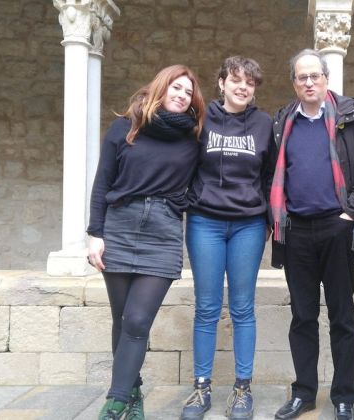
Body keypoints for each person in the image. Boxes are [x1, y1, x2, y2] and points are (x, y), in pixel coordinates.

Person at [87, 64, 205, 420]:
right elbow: (102, 182)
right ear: (161, 87)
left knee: (138, 320)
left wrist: (182, 202)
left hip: (163, 233)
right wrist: (95, 234)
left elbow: (206, 180)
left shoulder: (192, 139)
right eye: (177, 87)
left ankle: (115, 402)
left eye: (188, 92)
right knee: (122, 321)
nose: (182, 95)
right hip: (120, 226)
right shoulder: (126, 127)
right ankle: (133, 394)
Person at [269, 49, 354, 420]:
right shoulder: (284, 121)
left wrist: (350, 215)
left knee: (343, 316)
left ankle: (344, 395)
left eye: (315, 76)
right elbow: (273, 172)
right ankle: (304, 392)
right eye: (302, 77)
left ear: (327, 79)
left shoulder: (351, 115)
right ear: (294, 83)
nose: (309, 82)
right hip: (296, 231)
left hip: (337, 229)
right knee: (302, 317)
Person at [179, 56, 275, 420]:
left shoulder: (264, 124)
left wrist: (267, 218)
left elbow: (269, 174)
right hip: (205, 222)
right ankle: (201, 389)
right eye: (235, 80)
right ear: (221, 82)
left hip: (248, 225)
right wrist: (189, 201)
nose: (242, 87)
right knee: (206, 307)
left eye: (249, 83)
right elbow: (182, 162)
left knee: (242, 308)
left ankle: (242, 389)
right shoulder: (201, 119)